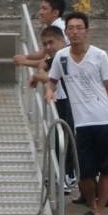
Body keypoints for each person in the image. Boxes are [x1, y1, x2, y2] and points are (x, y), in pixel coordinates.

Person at [47, 11, 108, 215]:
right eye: (71, 28)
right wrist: (49, 92)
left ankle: (100, 211)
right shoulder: (61, 57)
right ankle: (91, 206)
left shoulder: (100, 56)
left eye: (79, 28)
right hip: (81, 123)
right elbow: (52, 81)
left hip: (103, 119)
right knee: (84, 172)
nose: (75, 32)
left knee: (107, 169)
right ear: (66, 32)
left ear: (87, 31)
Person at [18, 25, 77, 189]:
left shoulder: (67, 56)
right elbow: (46, 64)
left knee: (67, 137)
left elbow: (51, 77)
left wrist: (37, 75)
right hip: (66, 100)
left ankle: (68, 175)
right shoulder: (58, 57)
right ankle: (63, 174)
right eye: (44, 44)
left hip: (74, 104)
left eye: (51, 43)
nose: (48, 47)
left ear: (62, 40)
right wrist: (41, 69)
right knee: (60, 136)